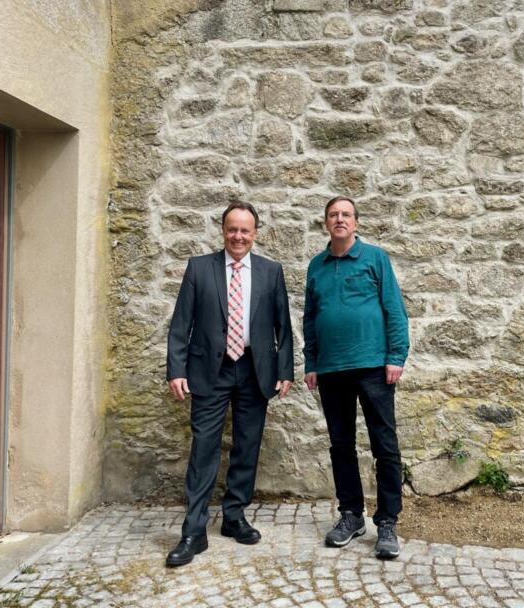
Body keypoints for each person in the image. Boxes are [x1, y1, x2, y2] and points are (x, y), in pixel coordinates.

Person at [164, 201, 294, 567]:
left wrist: (285, 371)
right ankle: (194, 530)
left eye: (245, 230)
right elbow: (180, 325)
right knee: (204, 447)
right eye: (232, 229)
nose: (238, 236)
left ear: (255, 233)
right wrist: (176, 369)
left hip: (255, 370)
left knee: (247, 446)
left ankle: (234, 516)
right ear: (223, 231)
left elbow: (283, 326)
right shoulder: (199, 268)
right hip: (210, 371)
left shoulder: (271, 272)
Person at [303, 196, 410, 560]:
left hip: (374, 368)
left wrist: (396, 356)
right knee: (341, 446)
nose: (339, 219)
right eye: (333, 214)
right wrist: (311, 362)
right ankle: (351, 515)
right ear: (326, 223)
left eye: (346, 214)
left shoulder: (376, 258)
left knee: (385, 446)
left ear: (356, 222)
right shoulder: (316, 266)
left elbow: (394, 308)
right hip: (332, 370)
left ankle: (387, 523)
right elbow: (310, 318)